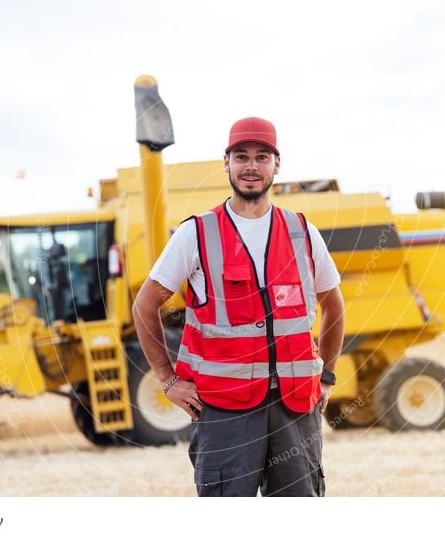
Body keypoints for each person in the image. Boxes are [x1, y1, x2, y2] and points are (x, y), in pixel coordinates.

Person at [132, 117, 345, 496]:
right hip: (224, 411)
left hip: (294, 407)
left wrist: (326, 376)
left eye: (262, 157)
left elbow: (334, 305)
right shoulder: (196, 233)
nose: (251, 166)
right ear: (225, 162)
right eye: (241, 156)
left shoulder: (302, 232)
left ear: (276, 165)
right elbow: (145, 305)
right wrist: (167, 380)